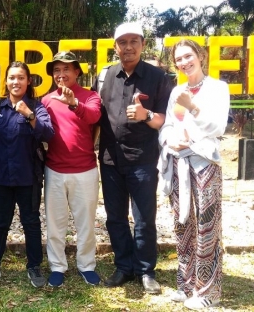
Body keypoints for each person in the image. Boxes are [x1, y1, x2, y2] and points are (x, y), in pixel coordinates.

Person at [93, 22, 172, 294]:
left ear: (143, 44)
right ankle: (124, 267)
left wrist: (145, 115)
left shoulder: (157, 77)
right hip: (110, 160)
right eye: (122, 42)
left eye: (133, 41)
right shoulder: (104, 77)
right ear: (115, 46)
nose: (128, 47)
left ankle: (146, 270)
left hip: (143, 160)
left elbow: (164, 119)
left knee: (144, 219)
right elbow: (95, 116)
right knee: (115, 217)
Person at [158, 39, 229, 310]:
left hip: (205, 165)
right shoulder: (177, 90)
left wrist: (194, 107)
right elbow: (166, 126)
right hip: (179, 165)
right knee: (182, 224)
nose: (184, 62)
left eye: (188, 56)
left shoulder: (217, 88)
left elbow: (218, 126)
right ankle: (186, 283)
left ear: (200, 56)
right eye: (179, 59)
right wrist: (169, 141)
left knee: (207, 227)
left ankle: (208, 291)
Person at [0, 61, 54, 287]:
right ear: (6, 81)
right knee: (0, 222)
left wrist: (29, 115)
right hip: (1, 177)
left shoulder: (37, 107)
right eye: (12, 77)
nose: (16, 82)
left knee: (31, 222)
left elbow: (48, 133)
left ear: (28, 81)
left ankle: (34, 267)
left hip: (28, 177)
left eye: (21, 77)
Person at [41, 51, 102, 287]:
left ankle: (86, 265)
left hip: (85, 170)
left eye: (66, 69)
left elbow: (94, 116)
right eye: (57, 70)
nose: (61, 74)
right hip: (55, 170)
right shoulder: (47, 100)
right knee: (55, 222)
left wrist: (74, 104)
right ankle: (57, 266)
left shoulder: (90, 97)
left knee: (85, 221)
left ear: (77, 71)